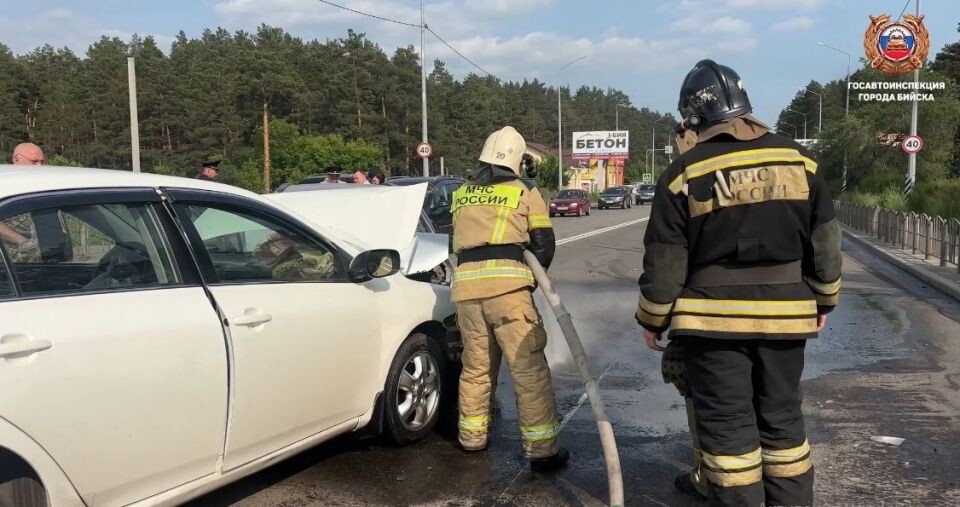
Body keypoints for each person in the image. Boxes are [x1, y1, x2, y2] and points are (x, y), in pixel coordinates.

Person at [636, 60, 841, 507]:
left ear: (693, 116)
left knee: (729, 434)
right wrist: (824, 300)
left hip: (712, 326)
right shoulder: (800, 160)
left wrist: (652, 319)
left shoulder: (684, 173)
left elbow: (666, 262)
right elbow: (825, 241)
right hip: (786, 320)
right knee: (784, 426)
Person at [450, 126, 568, 472]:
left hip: (466, 293)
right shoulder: (525, 190)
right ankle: (541, 451)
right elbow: (543, 245)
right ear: (518, 160)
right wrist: (527, 282)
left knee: (476, 370)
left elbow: (452, 244)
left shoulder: (461, 193)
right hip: (509, 293)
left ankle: (471, 439)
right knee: (528, 371)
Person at [1, 143, 45, 251]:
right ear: (16, 160)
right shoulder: (4, 184)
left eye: (42, 162)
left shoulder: (43, 186)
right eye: (34, 161)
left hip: (45, 255)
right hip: (11, 257)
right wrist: (21, 241)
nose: (40, 166)